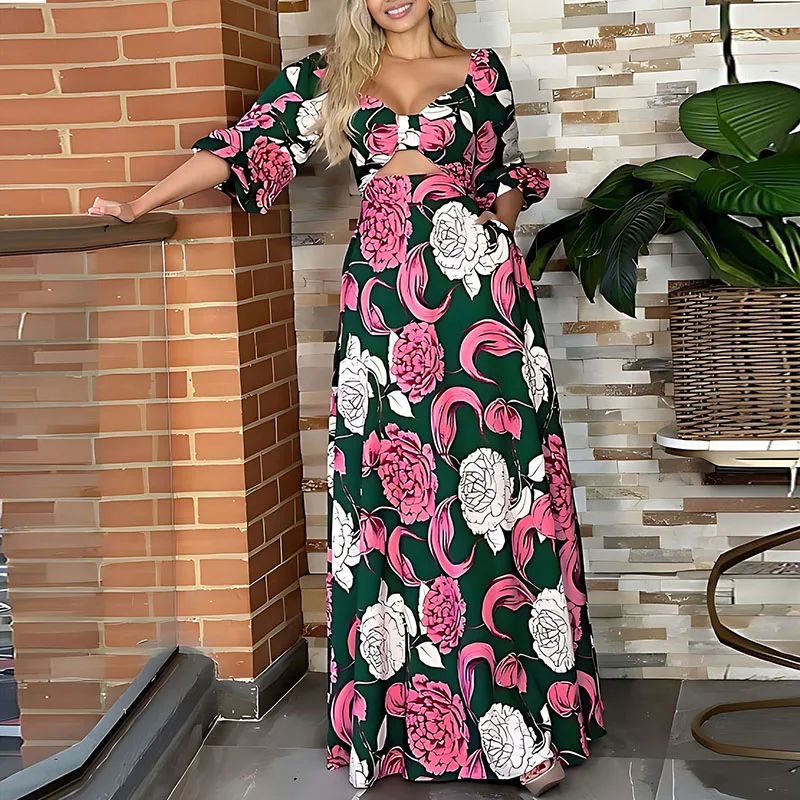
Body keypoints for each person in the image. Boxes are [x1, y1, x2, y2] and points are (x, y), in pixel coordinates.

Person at [89, 0, 606, 794]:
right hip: (385, 298)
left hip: (481, 299)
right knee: (400, 491)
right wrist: (139, 206)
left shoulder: (481, 74)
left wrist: (498, 235)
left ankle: (514, 722)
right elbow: (244, 148)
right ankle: (404, 723)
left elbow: (505, 174)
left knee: (495, 491)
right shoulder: (327, 77)